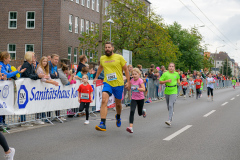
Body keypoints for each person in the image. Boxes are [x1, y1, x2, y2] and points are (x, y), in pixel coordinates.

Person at [94, 41, 130, 131]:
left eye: (109, 47)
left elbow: (125, 69)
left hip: (118, 84)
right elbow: (100, 68)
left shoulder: (119, 57)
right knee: (104, 100)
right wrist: (96, 77)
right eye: (106, 47)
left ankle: (118, 116)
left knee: (118, 104)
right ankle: (102, 123)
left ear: (112, 48)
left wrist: (129, 81)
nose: (107, 49)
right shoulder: (103, 58)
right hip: (107, 83)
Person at [126, 68, 146, 133]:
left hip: (140, 98)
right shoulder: (131, 80)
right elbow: (128, 87)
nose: (134, 75)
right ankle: (131, 127)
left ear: (139, 74)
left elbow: (144, 89)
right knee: (132, 111)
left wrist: (137, 88)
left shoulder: (140, 81)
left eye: (135, 74)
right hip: (134, 98)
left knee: (139, 113)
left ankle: (143, 111)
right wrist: (127, 86)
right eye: (133, 74)